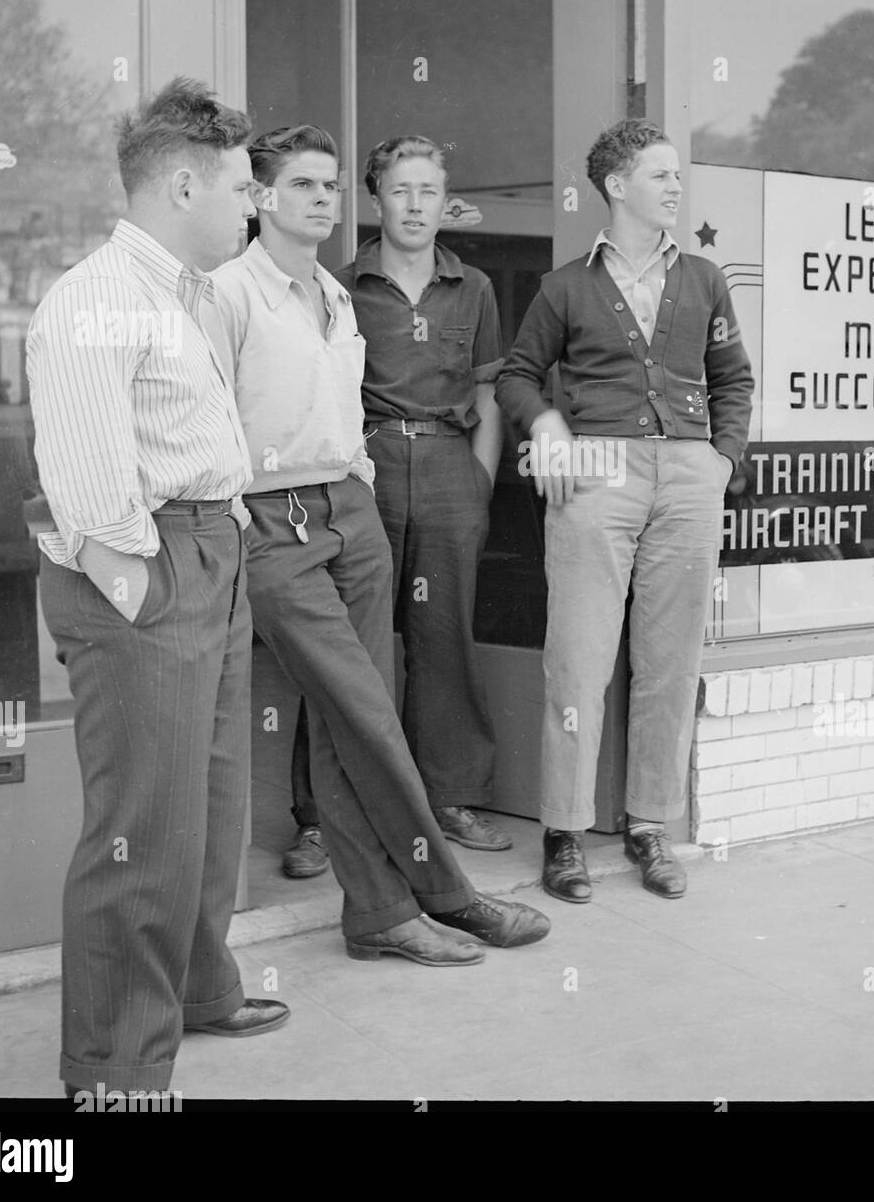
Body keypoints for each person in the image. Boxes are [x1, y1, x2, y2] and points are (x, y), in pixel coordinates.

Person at [211, 123, 549, 966]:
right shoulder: (225, 294)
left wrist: (361, 480)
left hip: (348, 507)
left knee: (342, 717)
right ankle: (447, 892)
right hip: (275, 518)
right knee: (363, 705)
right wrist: (240, 507)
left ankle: (374, 913)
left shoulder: (327, 293)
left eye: (329, 185)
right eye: (302, 185)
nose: (321, 199)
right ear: (258, 197)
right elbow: (203, 414)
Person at [26, 77, 290, 1103]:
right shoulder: (97, 296)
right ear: (182, 183)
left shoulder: (180, 294)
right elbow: (91, 494)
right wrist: (143, 589)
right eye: (239, 186)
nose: (251, 206)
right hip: (151, 568)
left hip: (208, 558)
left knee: (212, 806)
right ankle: (116, 1069)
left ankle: (196, 985)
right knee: (143, 826)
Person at [496, 118, 754, 903]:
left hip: (687, 474)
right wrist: (545, 424)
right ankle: (566, 832)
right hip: (597, 471)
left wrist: (721, 459)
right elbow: (518, 373)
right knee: (577, 657)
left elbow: (733, 378)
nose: (677, 187)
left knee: (671, 661)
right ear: (616, 185)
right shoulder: (567, 286)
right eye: (661, 175)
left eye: (678, 175)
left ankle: (648, 823)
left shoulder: (704, 278)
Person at [332, 135, 509, 853]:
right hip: (368, 464)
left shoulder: (474, 287)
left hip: (446, 464)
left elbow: (492, 387)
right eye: (400, 190)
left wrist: (480, 476)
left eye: (427, 190)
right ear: (377, 198)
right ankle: (329, 814)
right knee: (349, 645)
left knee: (443, 642)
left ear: (445, 201)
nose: (413, 204)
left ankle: (452, 798)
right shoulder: (341, 286)